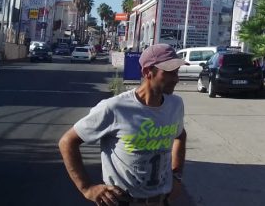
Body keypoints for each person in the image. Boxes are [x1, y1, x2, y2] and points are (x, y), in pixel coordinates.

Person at [58, 44, 187, 206]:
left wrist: (177, 176)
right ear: (147, 72)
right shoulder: (115, 108)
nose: (175, 78)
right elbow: (67, 141)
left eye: (176, 72)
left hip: (162, 200)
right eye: (168, 73)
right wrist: (87, 188)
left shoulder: (175, 104)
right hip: (121, 200)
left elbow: (180, 135)